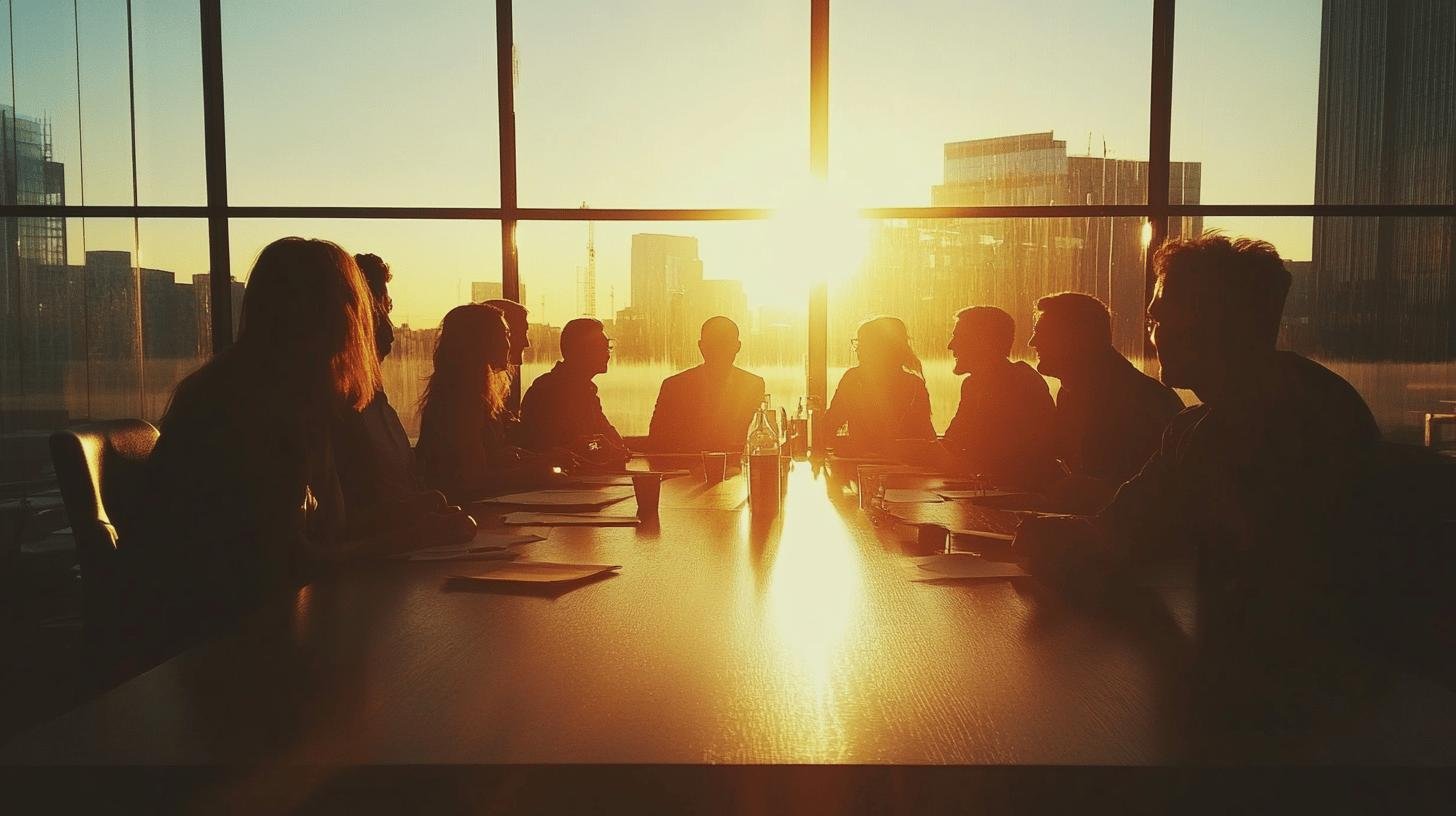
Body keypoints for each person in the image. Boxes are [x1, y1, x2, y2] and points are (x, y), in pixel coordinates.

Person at [1014, 236, 1382, 741]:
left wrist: (1044, 536)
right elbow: (1124, 530)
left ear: (1206, 321)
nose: (1152, 334)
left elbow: (1119, 542)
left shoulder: (1227, 429)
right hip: (1337, 688)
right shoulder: (1303, 398)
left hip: (1288, 711)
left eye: (1160, 317)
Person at [127, 238, 471, 644]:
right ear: (338, 316)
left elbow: (317, 531)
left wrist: (402, 516)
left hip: (259, 630)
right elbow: (289, 564)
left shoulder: (282, 392)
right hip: (229, 647)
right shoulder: (249, 408)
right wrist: (412, 538)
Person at [331, 253, 474, 540]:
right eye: (382, 311)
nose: (391, 327)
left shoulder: (374, 402)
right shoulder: (334, 412)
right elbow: (338, 528)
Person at [1029, 292, 1184, 504]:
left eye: (1043, 333)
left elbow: (1158, 496)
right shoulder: (1070, 392)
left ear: (1078, 338)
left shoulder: (1140, 402)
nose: (1032, 342)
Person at [416, 304, 567, 502]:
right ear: (479, 342)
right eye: (505, 334)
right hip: (468, 512)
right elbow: (473, 481)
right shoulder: (462, 402)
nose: (509, 343)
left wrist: (530, 459)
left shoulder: (470, 394)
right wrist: (537, 473)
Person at [931, 306, 1058, 488]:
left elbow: (1006, 459)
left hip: (1022, 496)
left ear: (982, 342)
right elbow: (954, 442)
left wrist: (932, 452)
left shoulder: (1020, 382)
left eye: (958, 337)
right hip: (992, 490)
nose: (950, 345)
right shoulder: (972, 385)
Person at [518, 317, 630, 465]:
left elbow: (613, 442)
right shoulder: (547, 392)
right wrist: (598, 446)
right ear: (580, 350)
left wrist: (600, 446)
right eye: (601, 348)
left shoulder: (586, 391)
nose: (608, 354)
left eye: (608, 347)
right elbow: (547, 450)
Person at [646, 317, 766, 453]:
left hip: (734, 467)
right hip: (684, 469)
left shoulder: (753, 385)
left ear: (737, 347)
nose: (718, 350)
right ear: (701, 346)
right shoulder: (674, 386)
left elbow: (757, 435)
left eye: (724, 343)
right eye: (713, 343)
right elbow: (658, 441)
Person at [823, 316, 936, 456]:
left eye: (862, 344)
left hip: (866, 467)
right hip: (903, 467)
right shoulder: (914, 385)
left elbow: (828, 426)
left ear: (881, 349)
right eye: (857, 344)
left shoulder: (853, 380)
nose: (858, 350)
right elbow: (928, 439)